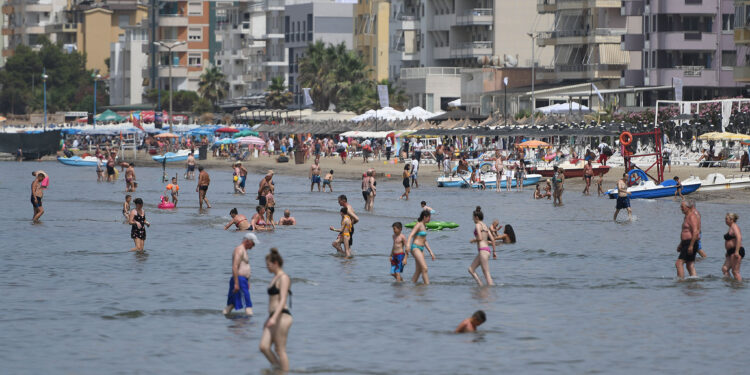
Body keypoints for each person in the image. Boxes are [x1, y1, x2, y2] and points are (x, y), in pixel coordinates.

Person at [259, 248, 293, 372]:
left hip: (282, 316)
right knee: (264, 346)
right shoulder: (274, 277)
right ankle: (279, 370)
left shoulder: (284, 278)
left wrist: (273, 318)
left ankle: (283, 372)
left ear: (275, 264)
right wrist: (270, 318)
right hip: (273, 316)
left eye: (268, 265)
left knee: (280, 349)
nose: (267, 267)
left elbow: (283, 299)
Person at [223, 233, 257, 316]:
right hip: (239, 280)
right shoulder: (239, 250)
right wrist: (237, 284)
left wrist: (247, 282)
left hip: (241, 281)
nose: (254, 246)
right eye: (253, 243)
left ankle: (221, 319)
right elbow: (235, 266)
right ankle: (250, 325)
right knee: (248, 305)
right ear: (248, 241)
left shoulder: (244, 251)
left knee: (232, 304)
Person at [406, 210, 436, 284]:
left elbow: (424, 240)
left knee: (419, 270)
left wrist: (430, 252)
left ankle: (412, 285)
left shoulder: (424, 225)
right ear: (424, 217)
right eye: (429, 217)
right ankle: (427, 285)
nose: (430, 219)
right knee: (425, 268)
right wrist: (408, 245)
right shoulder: (418, 224)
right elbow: (411, 234)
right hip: (415, 247)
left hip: (421, 249)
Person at [468, 210, 496, 286]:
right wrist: (494, 252)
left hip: (482, 251)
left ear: (476, 217)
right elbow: (493, 239)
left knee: (486, 273)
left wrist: (473, 240)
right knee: (471, 269)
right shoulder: (485, 226)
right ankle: (480, 285)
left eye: (473, 217)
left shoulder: (478, 225)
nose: (472, 219)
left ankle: (491, 291)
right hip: (487, 250)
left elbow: (480, 238)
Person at [676, 200, 699, 279]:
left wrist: (691, 246)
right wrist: (681, 244)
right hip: (686, 243)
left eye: (682, 207)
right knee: (689, 264)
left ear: (688, 207)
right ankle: (694, 281)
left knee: (679, 263)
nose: (681, 208)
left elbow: (695, 231)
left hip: (690, 243)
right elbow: (685, 231)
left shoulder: (692, 216)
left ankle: (680, 281)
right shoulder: (686, 216)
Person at [722, 213, 744, 281]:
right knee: (725, 269)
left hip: (736, 251)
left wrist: (737, 252)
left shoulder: (735, 227)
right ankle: (730, 284)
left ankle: (739, 286)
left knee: (735, 272)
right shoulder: (730, 227)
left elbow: (739, 238)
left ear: (732, 220)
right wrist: (727, 251)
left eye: (727, 219)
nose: (725, 220)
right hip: (730, 251)